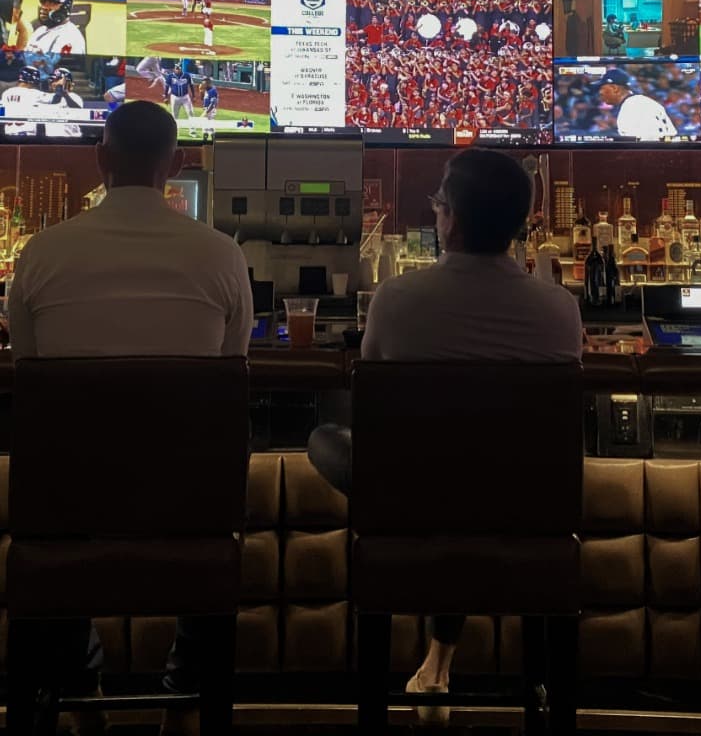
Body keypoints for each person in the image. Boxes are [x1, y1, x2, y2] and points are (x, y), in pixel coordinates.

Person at [306, 149, 582, 725]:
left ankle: (429, 664)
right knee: (471, 477)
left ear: (450, 218)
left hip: (407, 512)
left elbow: (372, 403)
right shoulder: (560, 311)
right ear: (521, 222)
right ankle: (440, 664)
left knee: (324, 439)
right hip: (528, 518)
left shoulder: (397, 299)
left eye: (437, 207)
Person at [6, 100, 253, 736]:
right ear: (175, 164)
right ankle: (184, 699)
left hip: (64, 508)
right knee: (209, 494)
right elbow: (229, 373)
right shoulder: (223, 256)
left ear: (101, 158)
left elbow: (31, 374)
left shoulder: (40, 254)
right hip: (191, 509)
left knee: (58, 502)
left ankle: (81, 688)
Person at [594, 67, 678, 142]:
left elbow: (634, 146)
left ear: (615, 88)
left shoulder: (630, 107)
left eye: (602, 88)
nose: (600, 92)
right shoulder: (645, 102)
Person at [41, 66, 83, 138]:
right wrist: (58, 93)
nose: (54, 83)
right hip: (50, 139)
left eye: (57, 80)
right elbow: (53, 102)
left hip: (72, 138)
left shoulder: (75, 97)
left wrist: (65, 94)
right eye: (53, 80)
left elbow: (77, 110)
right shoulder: (47, 97)